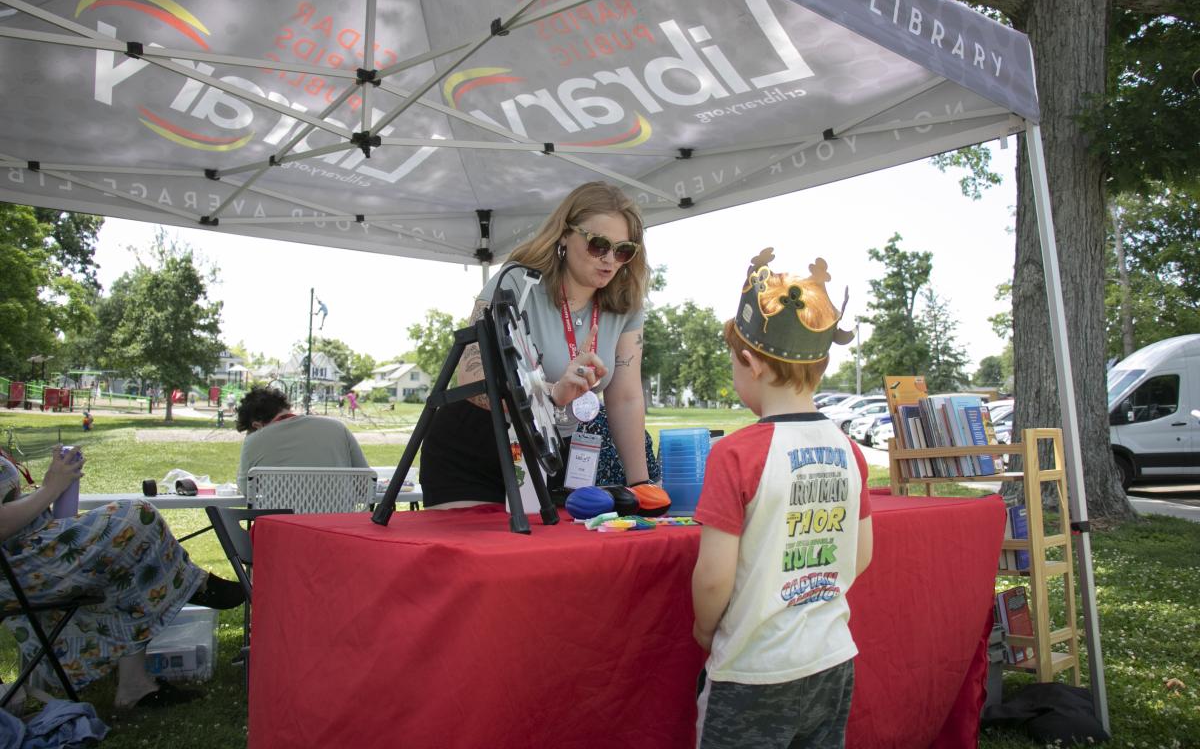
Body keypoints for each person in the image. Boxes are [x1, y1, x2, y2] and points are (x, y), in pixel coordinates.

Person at [691, 250, 874, 748]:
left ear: (751, 363)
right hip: (831, 658)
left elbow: (713, 576)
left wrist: (705, 630)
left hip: (753, 669)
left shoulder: (735, 455)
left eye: (734, 364)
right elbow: (861, 554)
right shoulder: (849, 450)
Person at [420, 181, 656, 507]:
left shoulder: (626, 304)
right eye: (598, 244)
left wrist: (640, 485)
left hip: (549, 451)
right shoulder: (519, 280)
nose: (610, 260)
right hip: (475, 444)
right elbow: (471, 375)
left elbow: (626, 398)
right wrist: (547, 396)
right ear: (564, 234)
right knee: (481, 557)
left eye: (623, 250)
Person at [0, 450, 244, 709]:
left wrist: (57, 487)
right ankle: (194, 583)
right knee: (136, 515)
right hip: (20, 570)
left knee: (130, 558)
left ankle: (135, 686)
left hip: (38, 554)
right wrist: (51, 487)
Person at [235, 386, 369, 488]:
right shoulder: (338, 428)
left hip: (282, 523)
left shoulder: (254, 441)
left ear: (257, 425)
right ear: (284, 407)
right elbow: (365, 482)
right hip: (338, 522)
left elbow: (246, 488)